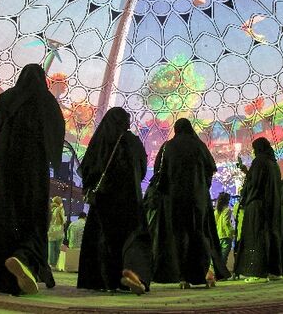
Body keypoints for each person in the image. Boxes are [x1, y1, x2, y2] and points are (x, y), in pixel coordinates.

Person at [0, 64, 66, 296]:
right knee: (32, 216)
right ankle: (23, 258)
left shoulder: (7, 98)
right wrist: (51, 157)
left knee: (5, 217)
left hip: (4, 167)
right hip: (33, 167)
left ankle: (4, 279)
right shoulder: (47, 101)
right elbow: (57, 133)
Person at [77, 107, 151, 295]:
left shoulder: (100, 139)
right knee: (132, 238)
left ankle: (105, 280)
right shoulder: (133, 142)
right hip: (129, 199)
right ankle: (133, 274)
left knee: (103, 239)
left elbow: (87, 168)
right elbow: (142, 169)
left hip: (103, 200)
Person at [148, 118, 217, 289]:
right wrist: (201, 188)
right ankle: (200, 274)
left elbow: (160, 174)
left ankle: (183, 277)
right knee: (198, 235)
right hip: (198, 200)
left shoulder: (168, 147)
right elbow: (210, 169)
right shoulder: (200, 146)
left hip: (175, 201)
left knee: (179, 237)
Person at [234, 137, 281, 283]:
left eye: (254, 149)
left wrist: (245, 194)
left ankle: (258, 272)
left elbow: (254, 184)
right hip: (271, 207)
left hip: (257, 206)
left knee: (256, 237)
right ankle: (273, 271)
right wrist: (246, 171)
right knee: (271, 236)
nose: (253, 152)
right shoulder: (273, 164)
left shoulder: (259, 162)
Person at [215, 192, 235, 265]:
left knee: (218, 256)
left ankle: (216, 272)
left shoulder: (216, 211)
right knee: (224, 258)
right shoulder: (227, 210)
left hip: (218, 236)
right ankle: (222, 273)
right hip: (226, 237)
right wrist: (232, 232)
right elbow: (226, 223)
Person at [48, 197, 66, 269]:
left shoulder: (50, 208)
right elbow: (63, 220)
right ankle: (54, 264)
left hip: (50, 231)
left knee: (51, 248)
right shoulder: (60, 209)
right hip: (59, 231)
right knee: (57, 249)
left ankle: (51, 264)